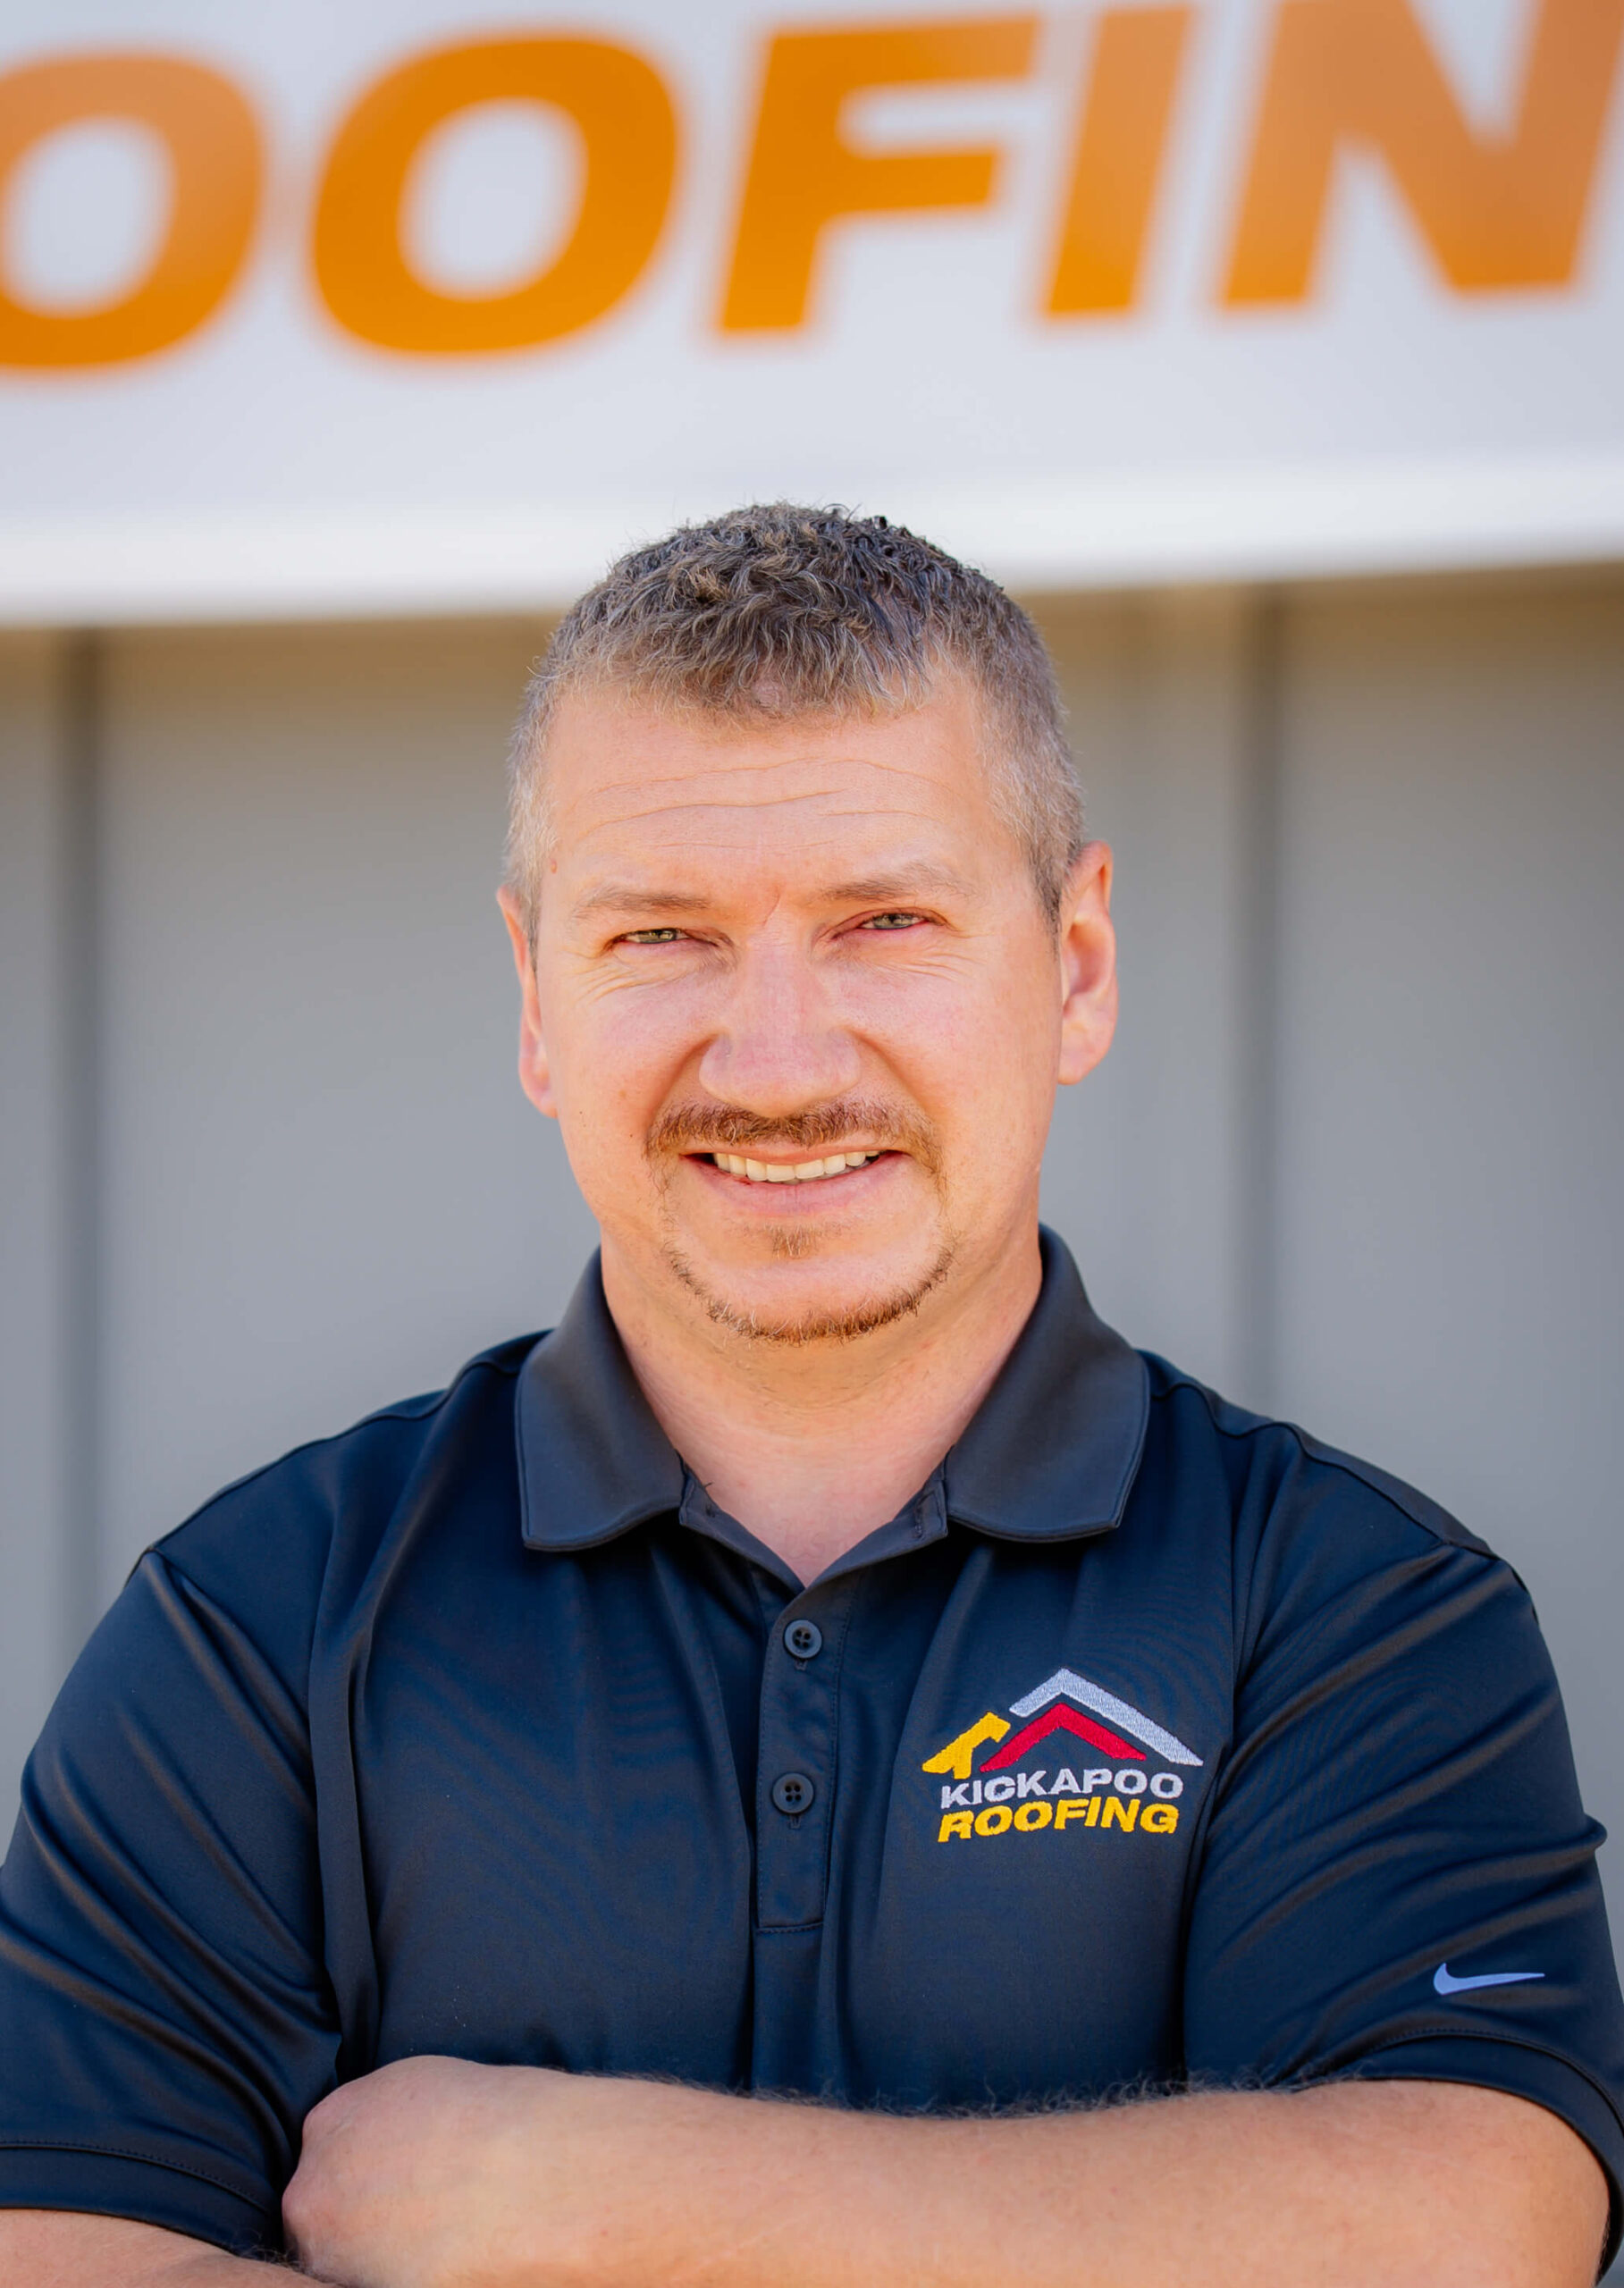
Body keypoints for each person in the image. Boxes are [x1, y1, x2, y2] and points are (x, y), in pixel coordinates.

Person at [1, 505, 1620, 2288]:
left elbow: (1473, 2223)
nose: (778, 1061)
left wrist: (617, 2194)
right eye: (660, 938)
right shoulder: (257, 1629)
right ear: (535, 998)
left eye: (885, 920)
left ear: (1075, 962)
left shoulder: (1353, 1607)